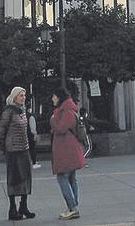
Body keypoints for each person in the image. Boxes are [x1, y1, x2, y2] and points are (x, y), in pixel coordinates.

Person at [0, 87, 36, 221]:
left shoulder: (22, 111)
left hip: (24, 148)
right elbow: (1, 129)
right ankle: (12, 208)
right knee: (13, 178)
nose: (23, 98)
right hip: (13, 150)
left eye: (24, 95)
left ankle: (23, 206)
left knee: (26, 176)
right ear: (14, 97)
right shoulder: (9, 111)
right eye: (20, 95)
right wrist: (2, 145)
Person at [49, 87, 86, 220]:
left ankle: (73, 208)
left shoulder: (67, 111)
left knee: (62, 177)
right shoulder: (68, 109)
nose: (52, 99)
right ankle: (73, 207)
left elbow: (61, 128)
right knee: (71, 178)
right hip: (69, 149)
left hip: (67, 150)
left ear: (59, 97)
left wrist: (53, 119)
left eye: (54, 96)